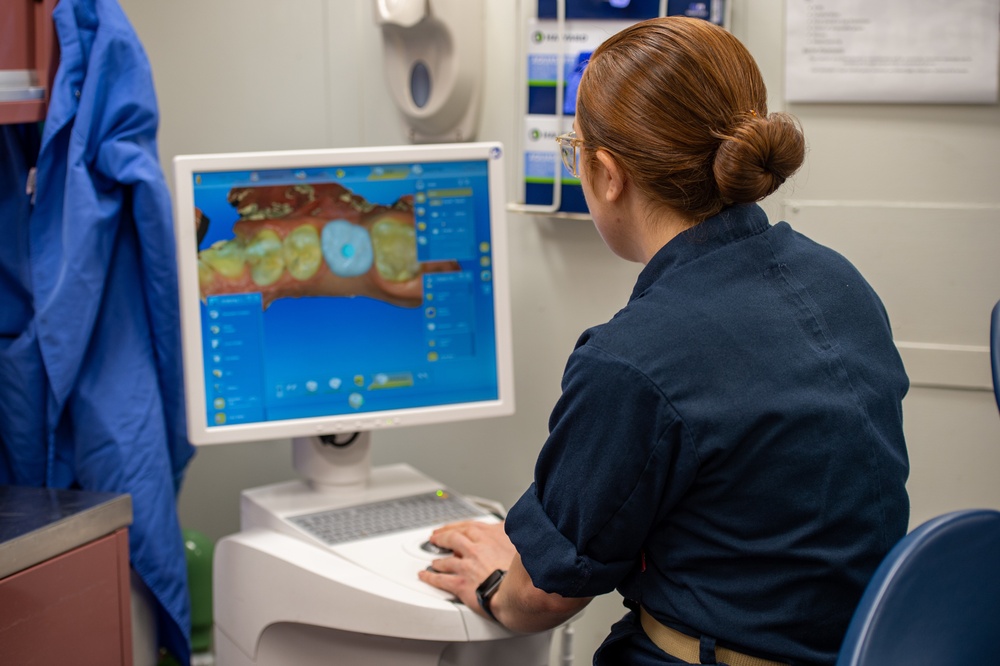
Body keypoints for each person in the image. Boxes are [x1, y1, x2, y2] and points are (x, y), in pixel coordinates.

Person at [418, 16, 909, 666]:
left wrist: (496, 581)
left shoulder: (634, 361)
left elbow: (544, 596)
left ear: (606, 174)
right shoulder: (838, 281)